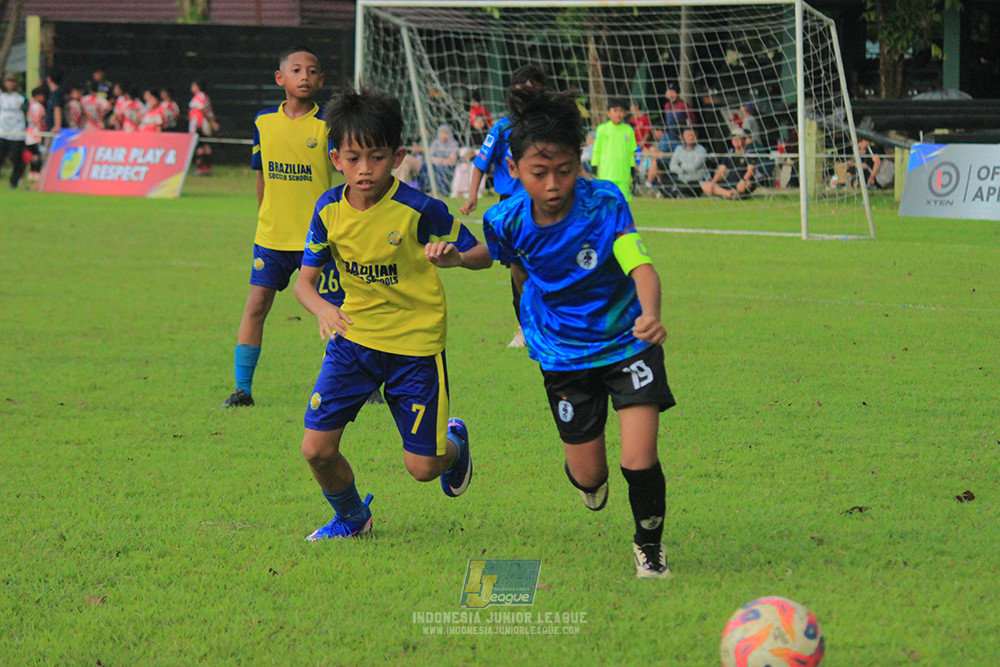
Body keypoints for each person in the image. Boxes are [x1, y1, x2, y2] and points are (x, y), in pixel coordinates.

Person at [482, 87, 675, 578]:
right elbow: (512, 268)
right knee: (590, 475)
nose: (553, 184)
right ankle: (590, 480)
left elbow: (639, 264)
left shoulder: (604, 203)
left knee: (639, 458)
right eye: (538, 173)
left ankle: (648, 544)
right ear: (514, 168)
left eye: (564, 170)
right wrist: (459, 258)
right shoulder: (504, 219)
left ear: (579, 159)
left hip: (627, 341)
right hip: (563, 355)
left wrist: (649, 312)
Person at [293, 85, 492, 540]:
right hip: (354, 343)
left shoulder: (420, 209)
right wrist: (324, 307)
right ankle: (352, 518)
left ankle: (454, 445)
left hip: (415, 348)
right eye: (353, 158)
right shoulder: (328, 211)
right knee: (316, 450)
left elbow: (482, 252)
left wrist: (455, 257)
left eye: (377, 157)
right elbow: (304, 282)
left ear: (398, 156)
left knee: (422, 468)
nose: (365, 170)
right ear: (335, 158)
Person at [221, 46, 344, 409]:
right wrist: (264, 217)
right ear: (281, 78)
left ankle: (347, 384)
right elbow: (261, 176)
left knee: (339, 311)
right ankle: (242, 389)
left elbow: (344, 175)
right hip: (273, 238)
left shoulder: (328, 125)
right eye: (296, 69)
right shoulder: (263, 122)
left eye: (312, 70)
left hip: (320, 239)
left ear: (321, 80)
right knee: (256, 306)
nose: (304, 76)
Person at [460, 65, 550, 349]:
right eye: (523, 90)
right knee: (517, 267)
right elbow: (480, 164)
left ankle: (556, 323)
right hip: (511, 207)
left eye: (534, 90)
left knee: (548, 263)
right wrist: (473, 196)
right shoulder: (501, 128)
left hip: (545, 202)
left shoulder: (548, 126)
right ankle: (525, 328)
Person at [592, 97, 639, 201]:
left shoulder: (628, 131)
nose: (618, 114)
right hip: (606, 175)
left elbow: (631, 153)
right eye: (615, 110)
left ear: (625, 113)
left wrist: (632, 170)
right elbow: (596, 150)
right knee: (605, 205)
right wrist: (594, 166)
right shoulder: (602, 129)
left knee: (622, 205)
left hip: (623, 176)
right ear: (609, 113)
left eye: (621, 111)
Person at [701, 128, 758, 199]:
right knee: (706, 186)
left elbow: (751, 170)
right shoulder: (729, 153)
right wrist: (713, 183)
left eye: (738, 138)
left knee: (747, 184)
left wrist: (743, 180)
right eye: (733, 139)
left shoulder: (749, 153)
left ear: (743, 139)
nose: (735, 141)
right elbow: (721, 170)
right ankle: (730, 194)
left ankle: (734, 193)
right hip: (730, 181)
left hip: (742, 181)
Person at [0, 72, 28, 190]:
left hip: (17, 132)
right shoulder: (2, 98)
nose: (9, 84)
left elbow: (27, 112)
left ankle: (14, 181)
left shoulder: (21, 98)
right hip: (3, 131)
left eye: (12, 81)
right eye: (7, 81)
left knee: (17, 159)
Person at [665, 127, 709, 197]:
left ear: (697, 137)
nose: (691, 138)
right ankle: (678, 193)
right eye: (689, 135)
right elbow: (672, 166)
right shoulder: (679, 149)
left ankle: (676, 193)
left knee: (690, 187)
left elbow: (693, 167)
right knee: (664, 183)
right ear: (684, 137)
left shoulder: (701, 150)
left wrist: (680, 164)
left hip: (695, 181)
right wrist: (682, 171)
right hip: (681, 180)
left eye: (693, 135)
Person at [189, 79, 218, 175]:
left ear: (197, 86)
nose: (192, 88)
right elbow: (209, 110)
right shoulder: (206, 97)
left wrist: (211, 122)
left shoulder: (198, 97)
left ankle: (201, 169)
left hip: (200, 125)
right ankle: (208, 168)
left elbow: (204, 110)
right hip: (204, 125)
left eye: (193, 85)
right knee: (206, 146)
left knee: (200, 147)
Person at [418, 123, 458, 195]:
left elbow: (452, 160)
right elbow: (429, 156)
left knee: (441, 168)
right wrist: (436, 161)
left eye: (446, 133)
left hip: (446, 165)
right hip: (435, 163)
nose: (444, 135)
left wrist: (441, 161)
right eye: (442, 133)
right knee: (425, 166)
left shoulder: (453, 144)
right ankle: (425, 189)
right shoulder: (435, 143)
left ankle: (442, 191)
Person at [25, 86, 47, 183]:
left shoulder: (29, 104)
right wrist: (40, 134)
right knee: (37, 155)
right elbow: (39, 120)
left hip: (29, 132)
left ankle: (31, 173)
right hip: (36, 133)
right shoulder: (39, 107)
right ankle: (36, 173)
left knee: (33, 154)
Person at [662, 82, 693, 151]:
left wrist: (685, 134)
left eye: (669, 91)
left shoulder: (683, 105)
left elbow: (691, 121)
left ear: (674, 92)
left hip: (681, 135)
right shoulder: (667, 105)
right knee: (663, 143)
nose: (667, 92)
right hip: (670, 133)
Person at [44, 70, 66, 135]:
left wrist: (57, 126)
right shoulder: (62, 92)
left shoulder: (56, 93)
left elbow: (57, 109)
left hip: (55, 130)